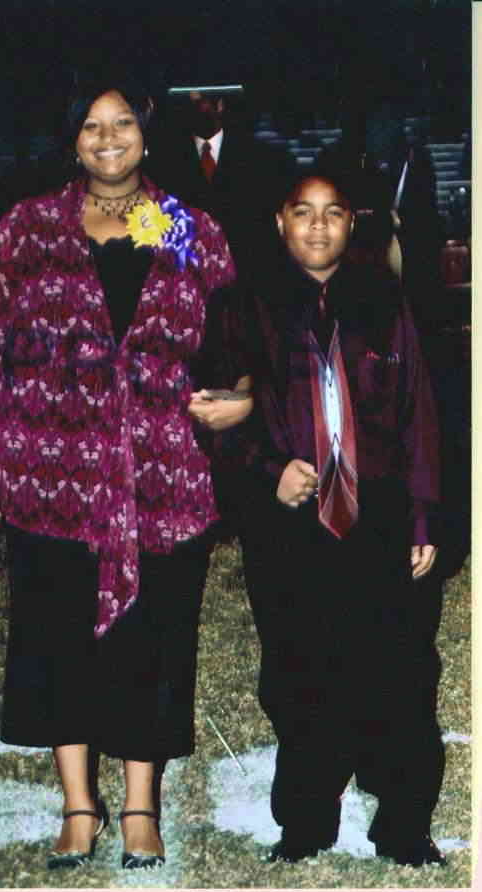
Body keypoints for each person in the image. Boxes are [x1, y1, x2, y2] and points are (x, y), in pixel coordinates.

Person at [0, 73, 252, 871]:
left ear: (147, 135)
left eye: (123, 123)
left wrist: (243, 395)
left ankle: (140, 806)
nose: (109, 139)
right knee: (56, 634)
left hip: (161, 470)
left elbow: (234, 326)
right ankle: (78, 806)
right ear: (72, 140)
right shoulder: (27, 229)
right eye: (92, 125)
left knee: (154, 636)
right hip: (49, 472)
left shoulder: (178, 225)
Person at [216, 167, 446, 868]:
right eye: (303, 211)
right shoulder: (244, 306)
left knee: (400, 668)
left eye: (333, 212)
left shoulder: (386, 301)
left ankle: (403, 823)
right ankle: (307, 820)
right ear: (279, 222)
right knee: (298, 668)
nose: (318, 226)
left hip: (377, 514)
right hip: (290, 519)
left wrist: (423, 516)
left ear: (352, 223)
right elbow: (219, 411)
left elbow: (419, 410)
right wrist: (268, 471)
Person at [145, 87, 292, 281]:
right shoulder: (166, 162)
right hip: (189, 276)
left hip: (247, 274)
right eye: (188, 103)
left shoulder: (258, 157)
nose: (193, 109)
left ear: (219, 105)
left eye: (199, 102)